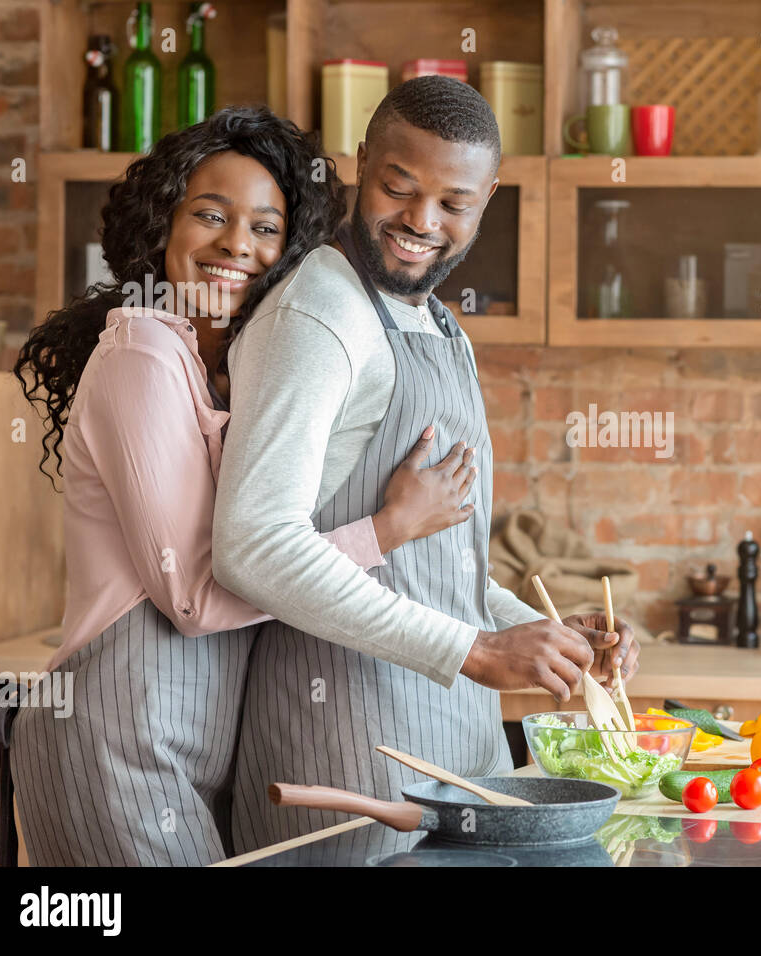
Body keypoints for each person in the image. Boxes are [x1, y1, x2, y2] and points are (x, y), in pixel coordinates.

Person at [10, 106, 477, 865]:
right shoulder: (144, 353)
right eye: (211, 216)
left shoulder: (220, 369)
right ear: (161, 224)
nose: (238, 245)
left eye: (266, 227)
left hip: (188, 752)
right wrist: (386, 530)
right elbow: (195, 599)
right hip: (114, 745)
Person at [214, 76, 640, 853]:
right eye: (398, 187)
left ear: (490, 197)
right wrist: (476, 651)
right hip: (348, 765)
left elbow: (438, 575)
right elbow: (253, 543)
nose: (421, 221)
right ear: (360, 163)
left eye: (454, 203)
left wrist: (539, 632)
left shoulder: (439, 322)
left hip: (458, 761)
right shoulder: (319, 314)